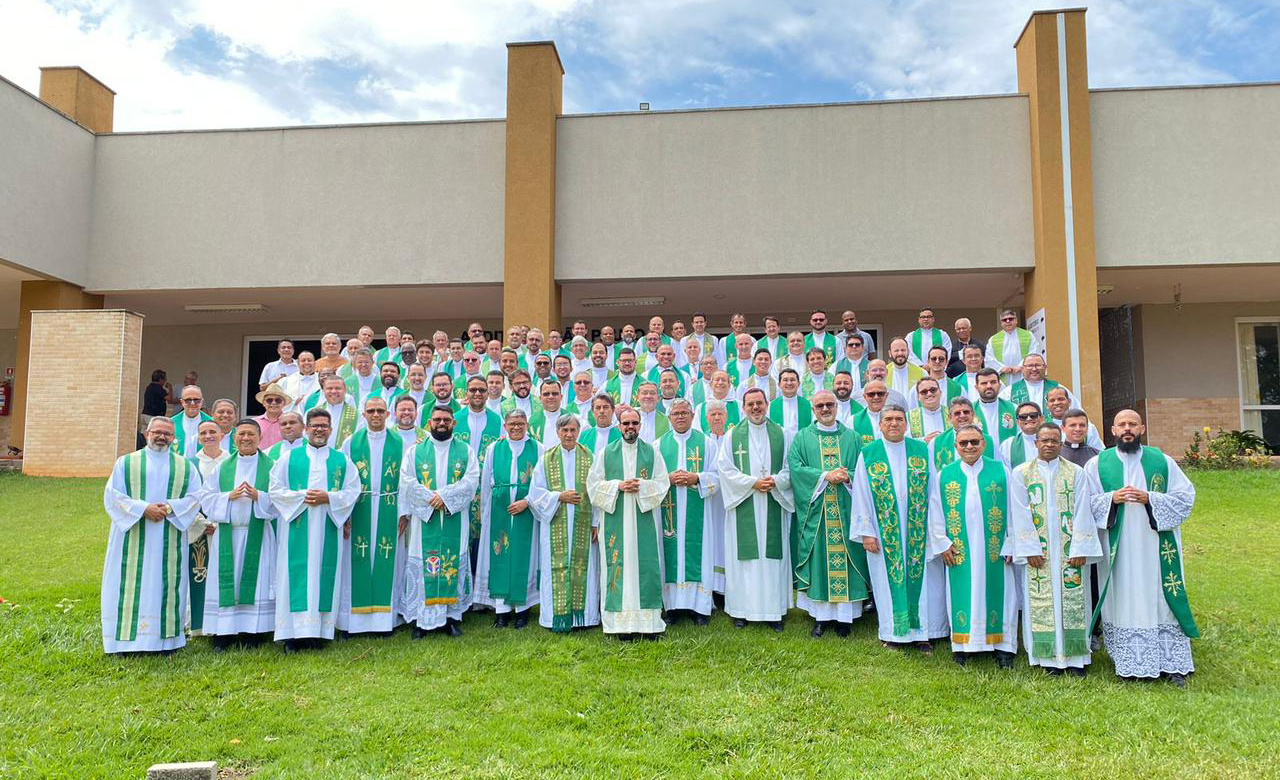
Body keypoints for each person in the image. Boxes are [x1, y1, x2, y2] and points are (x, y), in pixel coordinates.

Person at [1084, 409, 1198, 686]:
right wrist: (1112, 498)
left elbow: (1185, 498)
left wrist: (1151, 498)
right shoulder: (1098, 464)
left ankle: (1172, 664)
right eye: (1121, 424)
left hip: (1156, 547)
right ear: (1112, 431)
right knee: (1123, 597)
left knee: (1161, 599)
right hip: (1118, 550)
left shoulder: (1163, 461)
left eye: (1132, 424)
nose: (1127, 429)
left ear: (1142, 428)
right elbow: (1084, 504)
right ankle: (1129, 660)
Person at [930, 425, 1032, 668]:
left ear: (984, 444)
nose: (969, 447)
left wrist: (1011, 542)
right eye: (963, 443)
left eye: (974, 442)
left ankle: (1003, 646)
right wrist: (942, 543)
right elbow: (935, 510)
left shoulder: (1002, 472)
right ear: (956, 446)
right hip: (959, 549)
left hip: (995, 550)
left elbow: (1015, 509)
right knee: (960, 593)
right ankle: (963, 646)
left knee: (1003, 593)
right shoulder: (945, 474)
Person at [101, 416, 205, 655]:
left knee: (166, 583)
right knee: (127, 583)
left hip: (169, 532)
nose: (161, 437)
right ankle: (125, 642)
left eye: (167, 434)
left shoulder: (185, 466)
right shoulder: (126, 463)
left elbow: (195, 497)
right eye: (157, 432)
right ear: (146, 434)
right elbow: (112, 496)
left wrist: (168, 508)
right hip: (132, 534)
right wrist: (142, 509)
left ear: (174, 438)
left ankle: (166, 641)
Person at [852, 404, 950, 652]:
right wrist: (867, 533)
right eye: (889, 419)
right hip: (885, 533)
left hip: (917, 528)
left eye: (899, 419)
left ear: (906, 424)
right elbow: (861, 493)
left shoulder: (920, 449)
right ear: (880, 424)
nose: (894, 423)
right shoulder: (869, 453)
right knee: (887, 580)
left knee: (924, 582)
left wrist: (934, 528)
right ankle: (892, 634)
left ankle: (922, 634)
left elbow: (933, 491)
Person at [267, 409, 361, 652]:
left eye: (324, 426)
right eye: (315, 426)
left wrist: (328, 497)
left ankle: (318, 633)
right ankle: (291, 635)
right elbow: (275, 490)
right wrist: (303, 496)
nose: (320, 430)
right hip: (296, 526)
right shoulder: (289, 458)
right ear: (306, 429)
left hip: (328, 526)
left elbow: (353, 491)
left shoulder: (342, 460)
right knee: (294, 575)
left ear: (331, 430)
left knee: (324, 573)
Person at [1011, 423, 1101, 676]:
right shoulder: (1021, 473)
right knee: (1040, 601)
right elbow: (1019, 512)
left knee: (1074, 601)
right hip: (1038, 553)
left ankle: (1076, 658)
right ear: (1035, 443)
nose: (1049, 444)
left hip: (1069, 551)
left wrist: (1080, 546)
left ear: (1060, 443)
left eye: (1054, 440)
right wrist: (1029, 548)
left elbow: (1084, 509)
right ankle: (1047, 659)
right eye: (1044, 440)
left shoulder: (1076, 473)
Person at [587, 407, 672, 640]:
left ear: (640, 425)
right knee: (617, 567)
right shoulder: (606, 453)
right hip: (616, 519)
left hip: (644, 520)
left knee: (646, 567)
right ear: (619, 426)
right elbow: (593, 486)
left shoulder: (652, 453)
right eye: (626, 423)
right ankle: (619, 625)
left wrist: (642, 486)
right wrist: (618, 486)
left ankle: (649, 624)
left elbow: (663, 483)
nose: (630, 427)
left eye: (634, 423)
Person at [788, 390, 867, 638]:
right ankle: (821, 618)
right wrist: (825, 476)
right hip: (818, 513)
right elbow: (796, 468)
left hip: (846, 509)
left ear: (837, 407)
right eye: (820, 405)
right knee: (820, 558)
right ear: (813, 410)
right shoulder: (802, 438)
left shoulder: (853, 438)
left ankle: (845, 618)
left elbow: (863, 470)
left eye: (829, 405)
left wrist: (848, 476)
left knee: (848, 557)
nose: (825, 409)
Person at [398, 405, 481, 638]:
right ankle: (420, 620)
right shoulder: (414, 452)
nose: (441, 423)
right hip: (426, 518)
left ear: (454, 423)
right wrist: (431, 499)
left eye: (446, 419)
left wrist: (444, 497)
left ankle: (451, 617)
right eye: (437, 420)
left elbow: (472, 480)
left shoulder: (465, 451)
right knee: (424, 561)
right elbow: (406, 481)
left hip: (454, 516)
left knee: (453, 561)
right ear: (429, 423)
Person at [715, 388, 795, 632]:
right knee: (745, 561)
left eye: (759, 403)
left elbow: (791, 468)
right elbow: (725, 470)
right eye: (750, 404)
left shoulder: (782, 434)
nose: (755, 408)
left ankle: (774, 612)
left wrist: (776, 481)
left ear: (767, 404)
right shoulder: (732, 436)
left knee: (772, 560)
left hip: (773, 501)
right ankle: (742, 611)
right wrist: (752, 483)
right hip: (744, 504)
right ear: (743, 407)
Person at [199, 418, 278, 649]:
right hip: (228, 535)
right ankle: (223, 634)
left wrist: (260, 497)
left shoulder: (272, 466)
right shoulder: (222, 467)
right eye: (241, 434)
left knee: (257, 581)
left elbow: (281, 498)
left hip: (259, 535)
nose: (246, 438)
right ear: (234, 438)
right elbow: (206, 497)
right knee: (226, 581)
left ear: (260, 438)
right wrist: (228, 497)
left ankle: (253, 633)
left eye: (251, 434)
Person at [337, 397, 408, 636]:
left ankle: (384, 622)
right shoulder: (350, 443)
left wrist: (404, 513)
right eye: (371, 411)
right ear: (364, 415)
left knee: (388, 561)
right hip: (360, 506)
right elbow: (342, 480)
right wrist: (344, 515)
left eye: (380, 411)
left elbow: (407, 480)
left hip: (389, 505)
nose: (376, 415)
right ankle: (351, 623)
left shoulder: (399, 442)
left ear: (388, 414)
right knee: (354, 562)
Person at [528, 413, 601, 632]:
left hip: (583, 523)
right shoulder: (546, 459)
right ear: (557, 432)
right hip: (555, 523)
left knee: (584, 568)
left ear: (579, 432)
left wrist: (596, 522)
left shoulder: (590, 457)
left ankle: (584, 618)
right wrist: (559, 497)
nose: (569, 434)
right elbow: (535, 493)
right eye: (564, 430)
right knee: (556, 569)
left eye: (573, 430)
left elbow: (597, 491)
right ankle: (554, 618)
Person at [475, 410, 541, 627]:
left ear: (527, 424)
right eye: (512, 423)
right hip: (499, 509)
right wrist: (485, 511)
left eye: (520, 423)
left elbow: (541, 484)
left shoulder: (538, 449)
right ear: (505, 425)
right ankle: (501, 611)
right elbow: (486, 481)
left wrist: (528, 501)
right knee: (499, 553)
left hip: (526, 510)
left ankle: (522, 610)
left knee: (524, 556)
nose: (516, 427)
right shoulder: (495, 448)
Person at [656, 399, 719, 624]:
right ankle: (671, 607)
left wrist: (697, 478)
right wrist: (668, 479)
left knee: (698, 553)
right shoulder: (658, 445)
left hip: (698, 512)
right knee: (670, 554)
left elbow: (718, 477)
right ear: (669, 417)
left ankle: (699, 608)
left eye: (684, 413)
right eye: (676, 414)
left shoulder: (707, 443)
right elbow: (652, 481)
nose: (680, 417)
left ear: (693, 416)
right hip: (669, 512)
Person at [929, 397, 997, 471]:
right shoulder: (936, 442)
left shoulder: (989, 441)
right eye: (957, 413)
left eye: (966, 412)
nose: (962, 416)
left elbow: (997, 469)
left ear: (973, 415)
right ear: (949, 417)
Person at [1000, 353, 1080, 411]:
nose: (1034, 369)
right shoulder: (1009, 392)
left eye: (1038, 365)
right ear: (1022, 369)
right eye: (1030, 366)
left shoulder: (1058, 389)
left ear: (1045, 367)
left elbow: (1077, 411)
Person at [986, 309, 1042, 384]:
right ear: (1001, 323)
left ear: (1016, 321)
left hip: (1023, 374)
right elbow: (989, 358)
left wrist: (1021, 366)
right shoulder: (993, 339)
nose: (1008, 321)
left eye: (1011, 319)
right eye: (1004, 320)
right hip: (1003, 377)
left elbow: (1034, 352)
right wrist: (1002, 368)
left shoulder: (1028, 335)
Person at [1045, 386, 1105, 451]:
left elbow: (1099, 454)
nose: (1056, 403)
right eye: (1052, 400)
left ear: (1069, 402)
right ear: (1047, 406)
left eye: (1061, 399)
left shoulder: (1088, 428)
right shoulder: (1043, 427)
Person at [973, 368, 1017, 444]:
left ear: (999, 385)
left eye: (993, 382)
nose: (989, 386)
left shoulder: (1014, 408)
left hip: (1008, 455)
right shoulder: (969, 411)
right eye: (984, 383)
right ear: (976, 387)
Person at [170, 385, 212, 457]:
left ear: (202, 402)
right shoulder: (171, 423)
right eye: (188, 400)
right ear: (182, 402)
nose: (192, 403)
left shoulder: (211, 423)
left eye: (196, 400)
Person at [1000, 402, 1044, 468]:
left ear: (1041, 418)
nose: (1029, 419)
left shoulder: (1053, 440)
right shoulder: (1008, 445)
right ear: (1017, 422)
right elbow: (1007, 474)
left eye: (1033, 415)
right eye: (1023, 417)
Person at [769, 368, 812, 435]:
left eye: (792, 380)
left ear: (799, 383)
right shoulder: (771, 406)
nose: (789, 383)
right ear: (779, 384)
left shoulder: (808, 405)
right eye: (785, 380)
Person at [907, 377, 950, 442]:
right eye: (924, 392)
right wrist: (924, 440)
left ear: (940, 392)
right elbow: (904, 441)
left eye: (933, 390)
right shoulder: (908, 417)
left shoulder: (952, 413)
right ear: (918, 396)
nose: (929, 394)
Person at [579, 394, 622, 458]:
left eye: (605, 407)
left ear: (613, 410)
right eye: (598, 408)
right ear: (593, 412)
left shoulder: (621, 435)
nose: (601, 411)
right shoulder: (584, 436)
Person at [252, 383, 292, 449]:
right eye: (269, 400)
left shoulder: (290, 422)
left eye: (278, 400)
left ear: (284, 403)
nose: (273, 403)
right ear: (264, 403)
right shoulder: (254, 423)